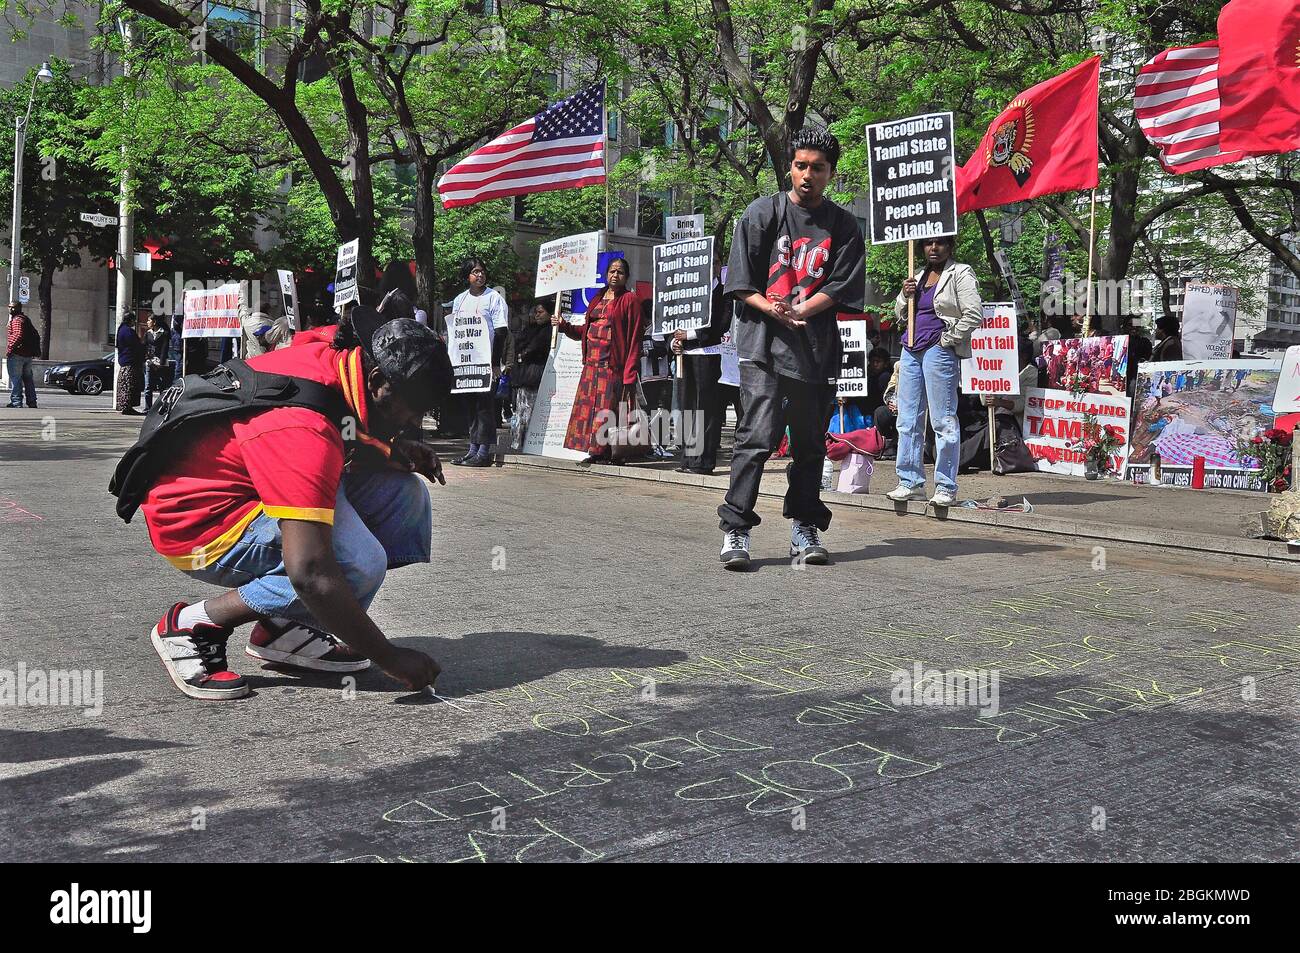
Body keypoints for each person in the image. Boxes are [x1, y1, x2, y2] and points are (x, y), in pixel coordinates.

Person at [132, 311, 449, 700]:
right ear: (377, 382)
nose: (416, 421)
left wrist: (390, 450)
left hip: (249, 483)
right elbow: (311, 571)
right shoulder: (303, 430)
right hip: (200, 522)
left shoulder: (336, 354)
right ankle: (192, 625)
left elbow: (343, 420)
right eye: (414, 409)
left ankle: (281, 627)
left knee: (404, 497)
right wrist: (388, 656)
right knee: (356, 563)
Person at [718, 129, 866, 569]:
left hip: (815, 350)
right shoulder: (763, 212)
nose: (807, 175)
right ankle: (736, 529)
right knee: (757, 437)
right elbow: (741, 283)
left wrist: (802, 310)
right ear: (790, 168)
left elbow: (841, 286)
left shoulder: (843, 225)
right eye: (801, 166)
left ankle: (804, 526)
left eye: (817, 168)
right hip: (762, 344)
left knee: (808, 444)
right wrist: (776, 309)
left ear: (830, 174)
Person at [883, 235, 982, 508]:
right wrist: (905, 295)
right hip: (910, 349)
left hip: (938, 350)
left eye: (940, 243)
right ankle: (910, 482)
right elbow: (899, 314)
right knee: (907, 420)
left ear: (950, 247)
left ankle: (946, 486)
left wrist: (947, 340)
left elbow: (974, 313)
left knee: (942, 420)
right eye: (928, 243)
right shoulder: (915, 276)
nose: (933, 248)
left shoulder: (960, 273)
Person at [552, 256, 643, 463]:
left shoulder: (630, 300)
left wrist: (630, 371)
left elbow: (635, 337)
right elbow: (585, 330)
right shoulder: (598, 297)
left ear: (626, 277)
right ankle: (595, 451)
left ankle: (611, 451)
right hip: (591, 366)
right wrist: (564, 326)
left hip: (611, 366)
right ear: (606, 274)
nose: (615, 275)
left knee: (607, 410)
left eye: (620, 272)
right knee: (588, 411)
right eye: (612, 271)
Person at [671, 263, 732, 474]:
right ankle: (688, 458)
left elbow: (720, 324)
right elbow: (673, 321)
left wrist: (690, 335)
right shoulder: (687, 294)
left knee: (705, 407)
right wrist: (675, 341)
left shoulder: (723, 292)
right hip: (685, 356)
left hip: (708, 356)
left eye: (713, 261)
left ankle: (704, 461)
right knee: (687, 405)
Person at [449, 259, 509, 467]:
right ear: (468, 276)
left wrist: (495, 363)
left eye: (482, 271)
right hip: (466, 363)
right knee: (470, 407)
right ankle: (472, 449)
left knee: (485, 407)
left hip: (486, 363)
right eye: (475, 272)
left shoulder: (494, 298)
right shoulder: (460, 300)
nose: (480, 275)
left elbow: (501, 331)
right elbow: (457, 333)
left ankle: (484, 452)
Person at [509, 303, 552, 450]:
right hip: (526, 375)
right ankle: (519, 442)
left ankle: (524, 443)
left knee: (528, 411)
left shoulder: (548, 331)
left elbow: (533, 348)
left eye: (541, 312)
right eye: (536, 312)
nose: (537, 315)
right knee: (522, 410)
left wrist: (525, 353)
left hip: (535, 375)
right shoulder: (531, 329)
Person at [6, 302, 40, 409]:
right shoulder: (25, 319)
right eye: (10, 307)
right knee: (28, 379)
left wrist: (10, 348)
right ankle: (32, 401)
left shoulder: (17, 320)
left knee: (16, 379)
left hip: (17, 354)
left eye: (13, 307)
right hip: (28, 355)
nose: (11, 309)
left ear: (18, 308)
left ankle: (16, 402)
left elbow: (17, 335)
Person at [115, 312, 146, 416]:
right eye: (133, 320)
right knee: (129, 385)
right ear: (130, 320)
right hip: (130, 362)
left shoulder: (121, 330)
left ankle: (126, 406)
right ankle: (127, 406)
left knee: (125, 385)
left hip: (125, 362)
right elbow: (136, 346)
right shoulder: (128, 331)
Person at [143, 314, 172, 410]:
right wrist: (147, 359)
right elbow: (144, 347)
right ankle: (148, 408)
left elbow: (165, 349)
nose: (147, 322)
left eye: (149, 320)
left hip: (161, 363)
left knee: (162, 386)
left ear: (154, 322)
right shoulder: (148, 333)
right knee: (148, 386)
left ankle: (162, 406)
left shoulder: (164, 333)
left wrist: (161, 363)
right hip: (150, 362)